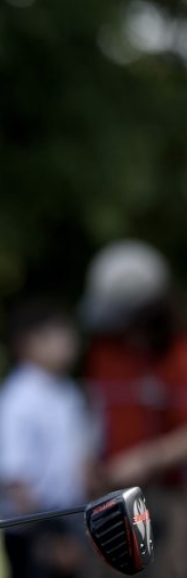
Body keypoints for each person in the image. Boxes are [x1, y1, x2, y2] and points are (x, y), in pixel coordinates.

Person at [80, 239, 187, 578]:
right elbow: (94, 413)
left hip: (167, 496)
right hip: (108, 498)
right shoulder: (104, 354)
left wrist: (146, 459)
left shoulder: (178, 358)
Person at [0, 298, 93, 578]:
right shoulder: (16, 398)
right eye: (56, 334)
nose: (68, 342)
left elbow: (81, 465)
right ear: (28, 342)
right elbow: (14, 477)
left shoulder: (69, 394)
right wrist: (48, 538)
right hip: (31, 529)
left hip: (71, 523)